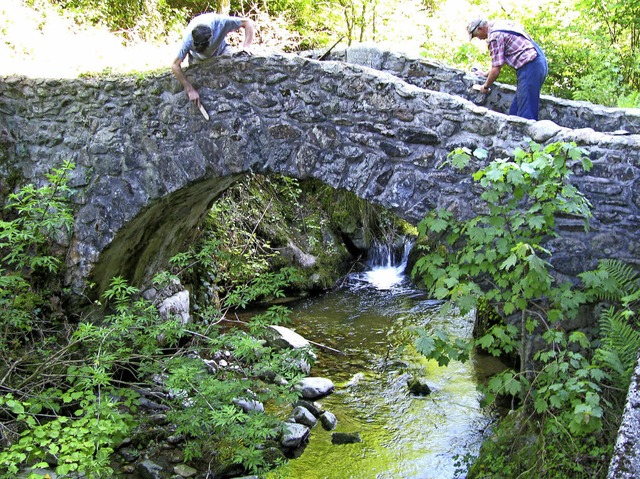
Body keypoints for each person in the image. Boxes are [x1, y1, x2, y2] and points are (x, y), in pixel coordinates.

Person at [467, 18, 548, 120]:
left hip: (530, 66)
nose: (478, 39)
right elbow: (499, 61)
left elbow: (496, 70)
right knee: (515, 111)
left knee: (525, 116)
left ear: (480, 28)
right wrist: (485, 74)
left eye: (475, 36)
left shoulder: (494, 37)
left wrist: (485, 87)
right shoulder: (501, 24)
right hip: (538, 62)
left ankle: (525, 135)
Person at [171, 12, 255, 107]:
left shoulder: (221, 23)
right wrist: (190, 89)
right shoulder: (187, 40)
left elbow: (248, 23)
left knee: (239, 64)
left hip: (222, 50)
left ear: (211, 36)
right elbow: (175, 65)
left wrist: (246, 46)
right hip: (197, 59)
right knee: (200, 82)